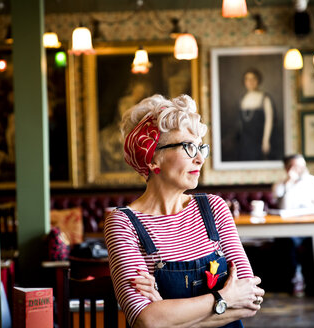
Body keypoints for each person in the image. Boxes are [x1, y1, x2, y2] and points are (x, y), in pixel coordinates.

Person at [104, 94, 264, 328]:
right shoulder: (123, 223)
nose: (200, 159)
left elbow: (250, 300)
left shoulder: (214, 208)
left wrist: (167, 315)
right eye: (188, 147)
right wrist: (225, 298)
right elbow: (145, 320)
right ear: (152, 158)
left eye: (201, 147)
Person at [272, 154, 314, 297]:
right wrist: (289, 183)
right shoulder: (280, 185)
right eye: (296, 166)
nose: (301, 169)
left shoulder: (311, 181)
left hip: (311, 227)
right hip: (288, 230)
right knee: (287, 242)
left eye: (303, 166)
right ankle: (296, 281)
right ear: (287, 168)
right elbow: (283, 206)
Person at [238, 68, 274, 161]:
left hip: (259, 139)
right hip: (245, 140)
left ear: (258, 80)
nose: (250, 82)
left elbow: (269, 121)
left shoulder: (265, 98)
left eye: (253, 79)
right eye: (247, 79)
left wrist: (266, 141)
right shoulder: (243, 99)